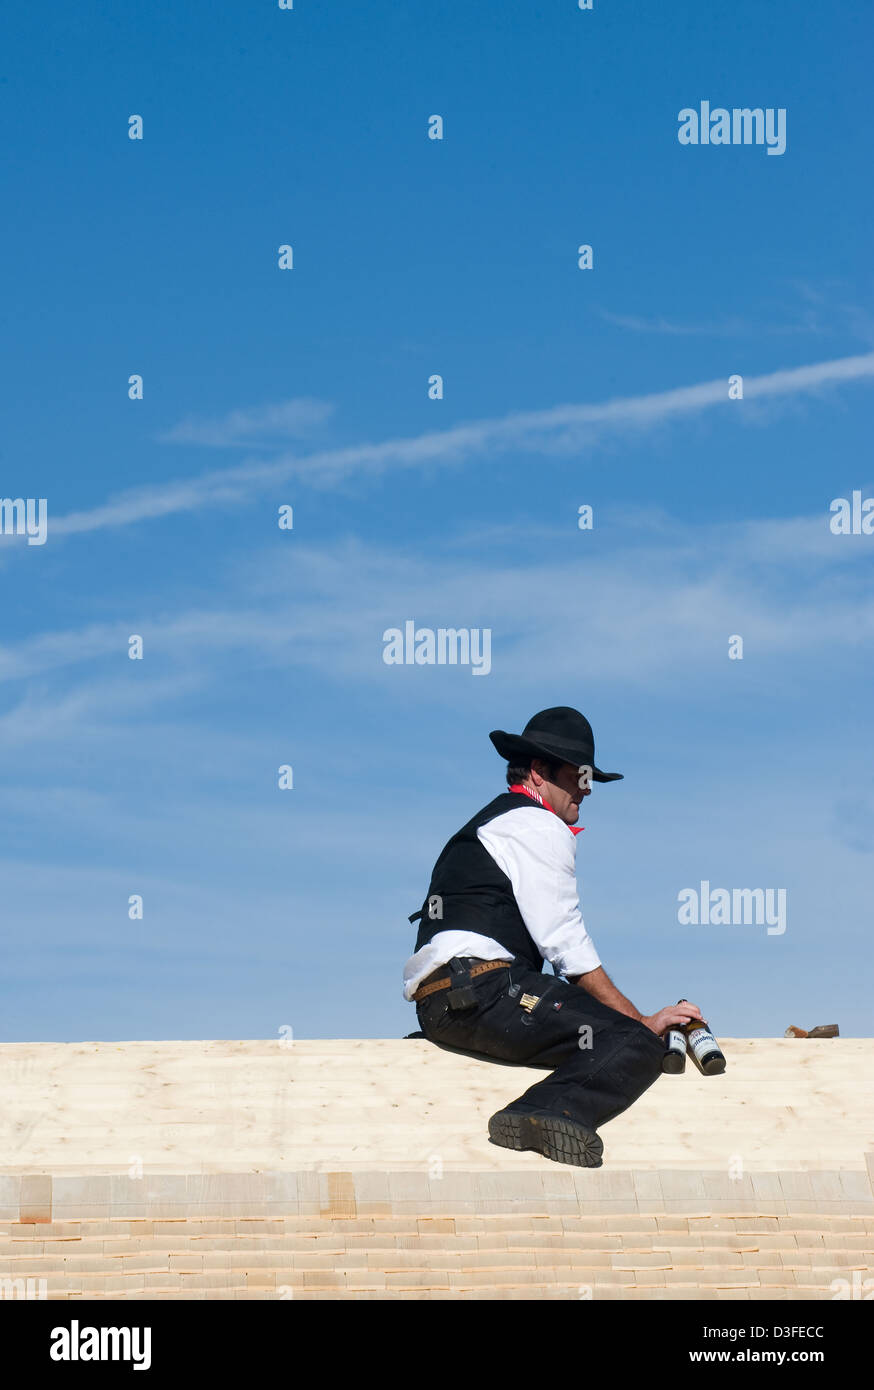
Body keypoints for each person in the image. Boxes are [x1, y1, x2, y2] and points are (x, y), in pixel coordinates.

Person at [403, 706, 703, 1167]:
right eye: (578, 775)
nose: (586, 786)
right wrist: (640, 1025)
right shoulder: (536, 824)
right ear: (540, 772)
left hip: (442, 1006)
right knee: (631, 1042)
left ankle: (550, 1102)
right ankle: (542, 1112)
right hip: (485, 992)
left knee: (598, 1045)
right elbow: (566, 944)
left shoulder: (488, 825)